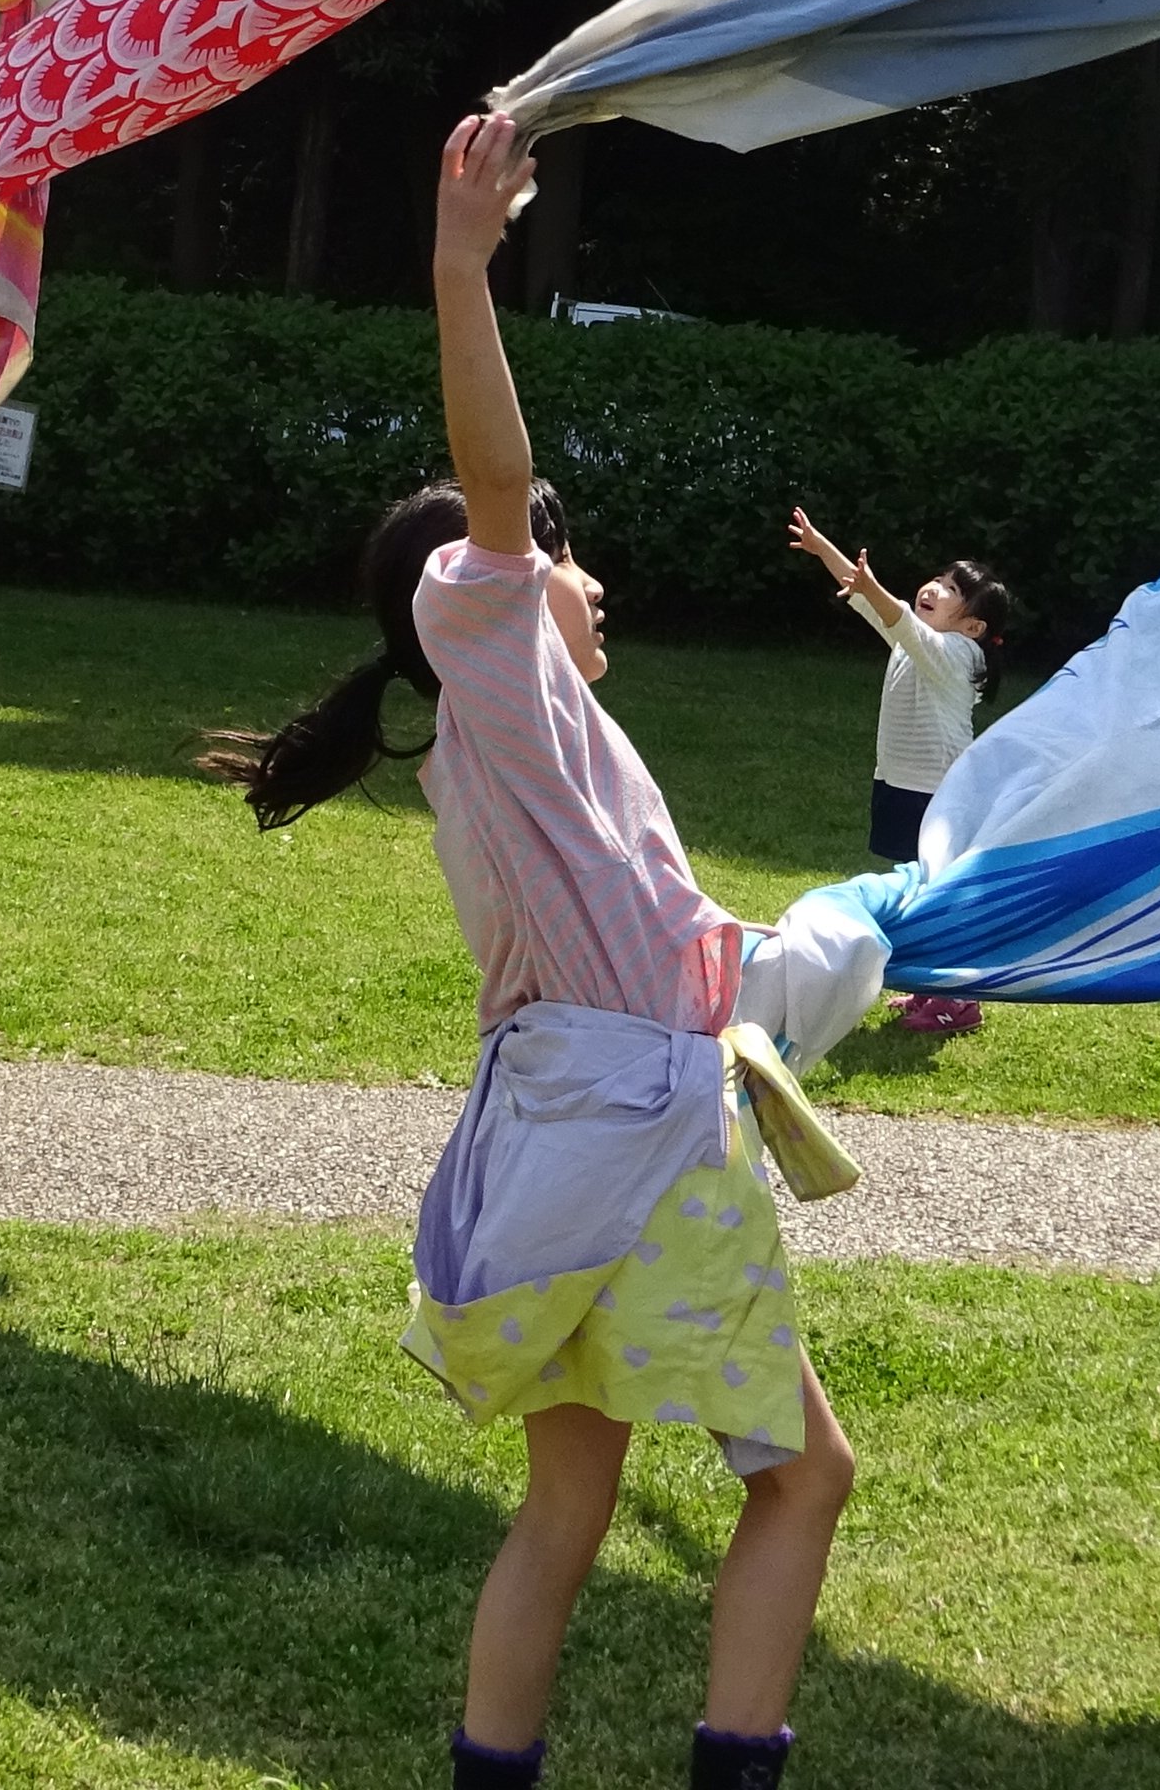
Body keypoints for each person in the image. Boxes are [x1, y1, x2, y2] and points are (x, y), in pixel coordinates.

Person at [205, 110, 853, 1790]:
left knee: (570, 1500)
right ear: (482, 582)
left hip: (569, 1141)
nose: (583, 573)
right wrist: (457, 263)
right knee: (801, 1478)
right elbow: (489, 492)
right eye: (560, 551)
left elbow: (663, 939)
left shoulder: (529, 739)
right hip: (639, 1146)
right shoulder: (480, 643)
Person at [783, 509, 1012, 1034]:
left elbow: (894, 613)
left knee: (935, 892)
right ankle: (929, 989)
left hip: (937, 793)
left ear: (973, 626)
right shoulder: (919, 641)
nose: (933, 588)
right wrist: (823, 550)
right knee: (917, 888)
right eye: (937, 578)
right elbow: (872, 604)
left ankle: (960, 999)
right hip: (901, 783)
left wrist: (873, 588)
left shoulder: (959, 653)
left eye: (950, 589)